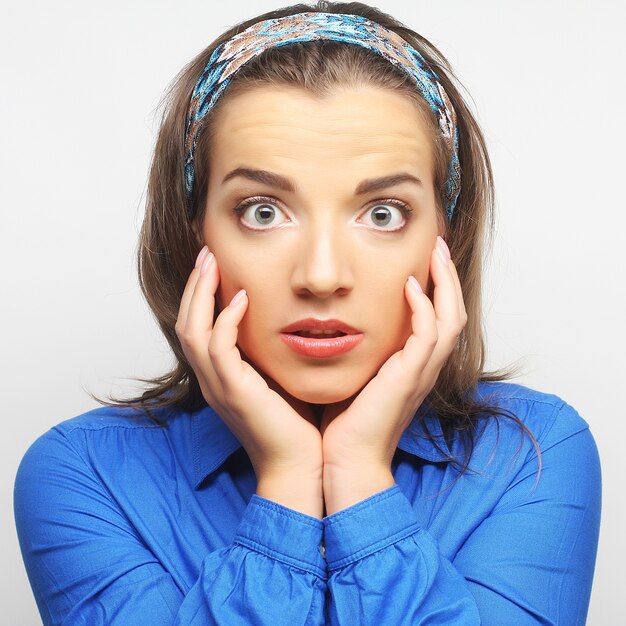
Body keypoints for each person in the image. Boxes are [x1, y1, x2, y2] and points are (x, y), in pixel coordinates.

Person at [14, 2, 601, 624]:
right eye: (262, 211)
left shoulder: (529, 457)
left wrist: (359, 474)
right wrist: (290, 480)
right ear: (195, 235)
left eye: (383, 213)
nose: (322, 276)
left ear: (444, 240)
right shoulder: (85, 476)